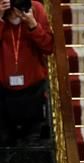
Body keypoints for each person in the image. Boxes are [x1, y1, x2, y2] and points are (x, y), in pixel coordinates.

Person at [0, 0, 53, 143]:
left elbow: (48, 47)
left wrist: (33, 25)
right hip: (3, 93)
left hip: (33, 91)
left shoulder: (36, 9)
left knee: (34, 144)